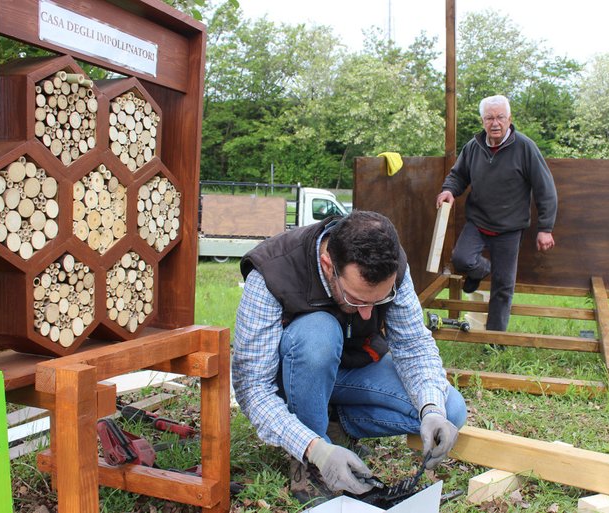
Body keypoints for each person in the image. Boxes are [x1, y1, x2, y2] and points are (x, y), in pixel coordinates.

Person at [232, 210, 467, 504]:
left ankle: (335, 425)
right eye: (356, 299)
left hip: (352, 369)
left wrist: (431, 410)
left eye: (378, 300)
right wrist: (314, 448)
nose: (369, 313)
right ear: (329, 264)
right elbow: (252, 389)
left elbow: (413, 346)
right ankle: (311, 461)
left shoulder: (391, 264)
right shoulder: (271, 271)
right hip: (295, 374)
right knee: (317, 334)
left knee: (450, 410)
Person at [436, 95, 558, 332]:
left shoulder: (525, 147)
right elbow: (458, 175)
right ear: (482, 121)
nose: (495, 123)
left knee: (503, 286)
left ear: (509, 119)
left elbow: (545, 188)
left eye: (500, 117)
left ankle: (495, 339)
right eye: (489, 118)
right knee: (461, 259)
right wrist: (448, 190)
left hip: (510, 229)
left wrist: (545, 228)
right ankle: (482, 270)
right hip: (478, 221)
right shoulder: (473, 147)